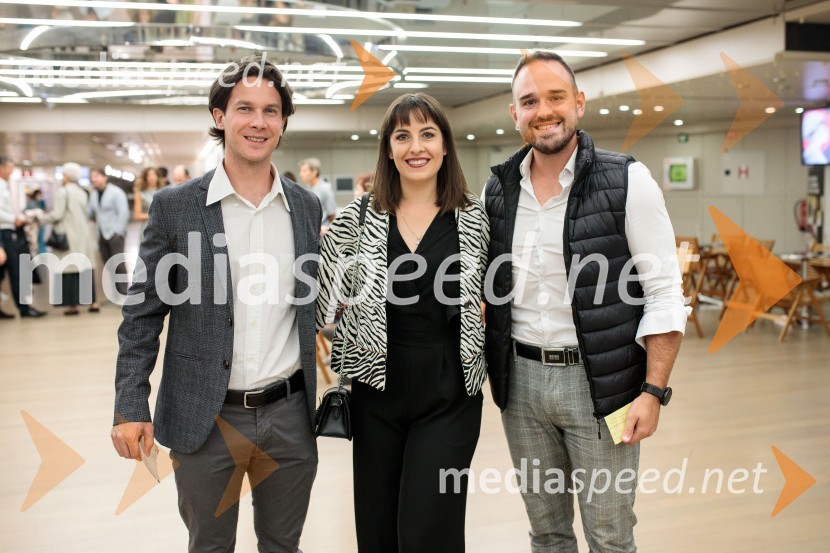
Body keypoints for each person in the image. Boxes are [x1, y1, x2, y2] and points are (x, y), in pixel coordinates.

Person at [111, 55, 322, 552]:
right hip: (206, 416)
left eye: (271, 111)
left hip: (290, 414)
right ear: (220, 116)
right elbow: (142, 315)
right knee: (209, 546)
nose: (258, 122)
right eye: (245, 108)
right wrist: (129, 405)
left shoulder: (305, 207)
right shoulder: (176, 207)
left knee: (283, 544)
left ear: (283, 122)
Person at [482, 50, 689, 552]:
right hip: (520, 386)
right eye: (529, 101)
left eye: (555, 97)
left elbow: (664, 293)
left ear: (578, 102)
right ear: (514, 113)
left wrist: (653, 391)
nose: (544, 111)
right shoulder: (498, 189)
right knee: (546, 533)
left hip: (603, 386)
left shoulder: (628, 181)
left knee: (609, 536)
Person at [316, 92, 489, 553]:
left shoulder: (474, 217)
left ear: (445, 146)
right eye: (402, 136)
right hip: (376, 391)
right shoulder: (356, 218)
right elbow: (316, 300)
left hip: (451, 390)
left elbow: (498, 295)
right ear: (388, 149)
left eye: (427, 134)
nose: (416, 147)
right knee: (378, 530)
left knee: (429, 530)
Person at [39, 162, 99, 315]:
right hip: (84, 235)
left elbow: (57, 215)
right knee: (85, 268)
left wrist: (40, 218)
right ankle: (92, 302)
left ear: (66, 176)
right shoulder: (83, 191)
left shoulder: (63, 192)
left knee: (69, 268)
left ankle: (72, 306)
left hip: (69, 236)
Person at [0, 156, 46, 319]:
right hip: (5, 233)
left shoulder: (4, 185)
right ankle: (24, 309)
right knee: (17, 271)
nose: (11, 171)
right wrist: (14, 219)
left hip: (8, 231)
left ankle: (24, 307)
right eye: (9, 168)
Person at [87, 167, 130, 297]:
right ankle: (115, 291)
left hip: (115, 234)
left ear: (104, 177)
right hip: (101, 234)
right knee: (108, 264)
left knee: (118, 263)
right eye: (92, 177)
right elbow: (91, 212)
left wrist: (118, 231)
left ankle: (124, 292)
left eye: (96, 176)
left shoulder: (116, 192)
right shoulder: (94, 194)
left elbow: (123, 212)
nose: (94, 179)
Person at [299, 157, 336, 226]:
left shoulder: (325, 188)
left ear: (314, 172)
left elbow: (332, 215)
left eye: (304, 171)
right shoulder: (307, 189)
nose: (301, 174)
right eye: (300, 171)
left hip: (323, 229)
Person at [133, 166, 160, 240]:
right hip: (148, 228)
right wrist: (154, 216)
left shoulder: (163, 192)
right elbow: (137, 216)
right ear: (145, 178)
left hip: (162, 229)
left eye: (154, 175)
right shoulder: (140, 194)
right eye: (149, 175)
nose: (152, 178)